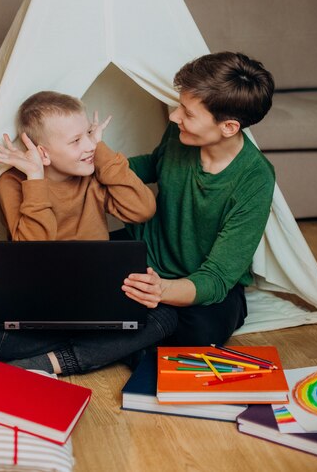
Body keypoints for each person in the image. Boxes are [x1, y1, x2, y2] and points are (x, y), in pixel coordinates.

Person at [0, 91, 177, 375]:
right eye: (76, 141)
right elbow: (32, 254)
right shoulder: (14, 183)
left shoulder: (92, 175)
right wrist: (36, 180)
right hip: (41, 299)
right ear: (43, 153)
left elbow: (142, 209)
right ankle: (110, 347)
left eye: (89, 134)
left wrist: (101, 151)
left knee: (167, 317)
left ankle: (55, 362)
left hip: (99, 295)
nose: (89, 144)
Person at [116, 51, 276, 346]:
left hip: (200, 280)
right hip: (145, 252)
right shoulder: (181, 133)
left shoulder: (255, 179)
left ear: (228, 127)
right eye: (180, 106)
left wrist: (160, 290)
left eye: (188, 113)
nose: (175, 116)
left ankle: (131, 334)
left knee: (201, 334)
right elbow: (155, 164)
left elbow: (216, 278)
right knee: (76, 277)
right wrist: (99, 167)